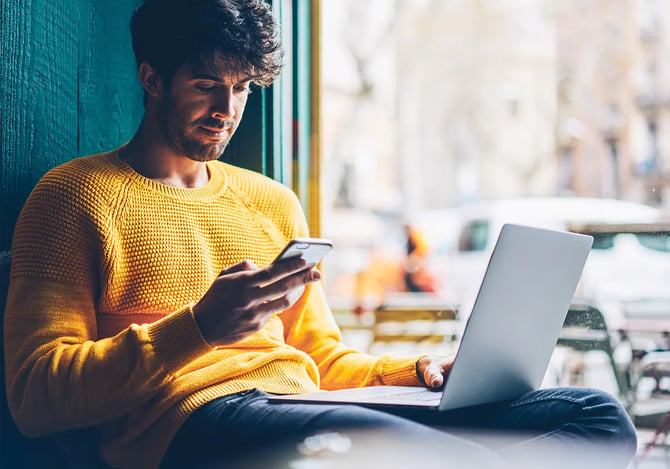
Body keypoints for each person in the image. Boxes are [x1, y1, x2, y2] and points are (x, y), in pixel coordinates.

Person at [3, 1, 637, 468]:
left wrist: (413, 372)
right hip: (195, 424)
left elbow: (323, 360)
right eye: (205, 87)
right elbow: (35, 398)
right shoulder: (74, 197)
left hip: (295, 403)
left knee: (596, 417)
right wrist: (196, 329)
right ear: (152, 79)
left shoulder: (270, 201)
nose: (226, 110)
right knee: (417, 453)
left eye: (243, 88)